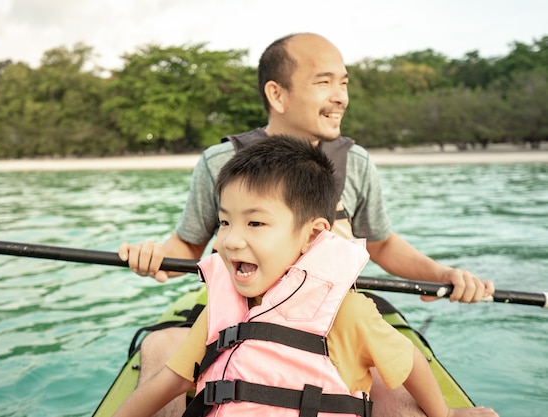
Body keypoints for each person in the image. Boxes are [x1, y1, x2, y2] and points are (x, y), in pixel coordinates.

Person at [118, 33, 496, 417]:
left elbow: (380, 244)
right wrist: (157, 255)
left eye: (343, 83)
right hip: (235, 303)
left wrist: (441, 274)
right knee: (160, 349)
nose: (341, 97)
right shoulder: (220, 161)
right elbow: (188, 244)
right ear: (277, 95)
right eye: (324, 82)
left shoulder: (357, 163)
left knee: (392, 390)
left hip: (334, 310)